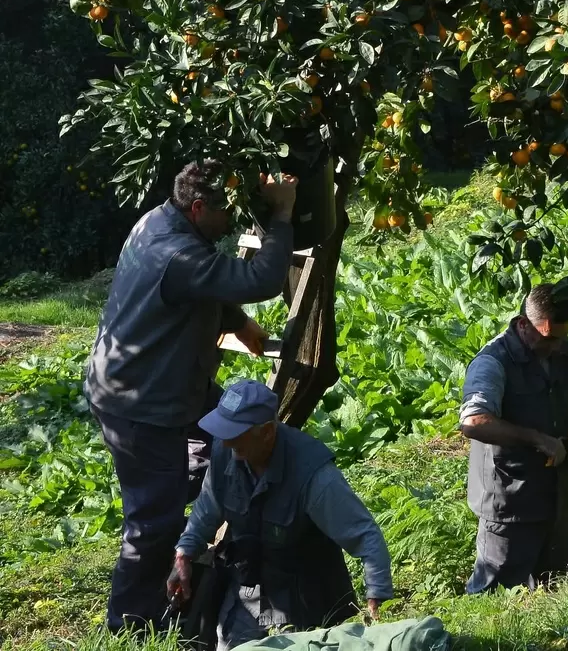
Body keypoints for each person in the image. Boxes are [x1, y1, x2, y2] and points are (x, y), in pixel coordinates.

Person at [86, 160, 298, 633]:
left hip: (163, 383)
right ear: (199, 207)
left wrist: (237, 322)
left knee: (227, 442)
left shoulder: (159, 221)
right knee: (151, 521)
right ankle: (129, 625)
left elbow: (196, 289)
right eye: (226, 212)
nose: (231, 222)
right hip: (142, 402)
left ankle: (193, 526)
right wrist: (282, 216)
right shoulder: (177, 252)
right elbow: (260, 281)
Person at [169, 379, 394, 649]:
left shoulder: (313, 475)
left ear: (266, 432)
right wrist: (184, 555)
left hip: (305, 600)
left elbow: (365, 535)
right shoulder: (226, 451)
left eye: (235, 433)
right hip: (249, 588)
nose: (227, 442)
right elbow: (207, 510)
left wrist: (377, 598)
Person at [459, 285, 568, 593]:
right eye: (547, 338)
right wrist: (536, 439)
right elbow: (473, 422)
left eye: (561, 337)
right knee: (493, 595)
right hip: (509, 503)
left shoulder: (564, 350)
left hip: (555, 498)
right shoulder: (492, 361)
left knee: (553, 591)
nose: (555, 347)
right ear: (523, 324)